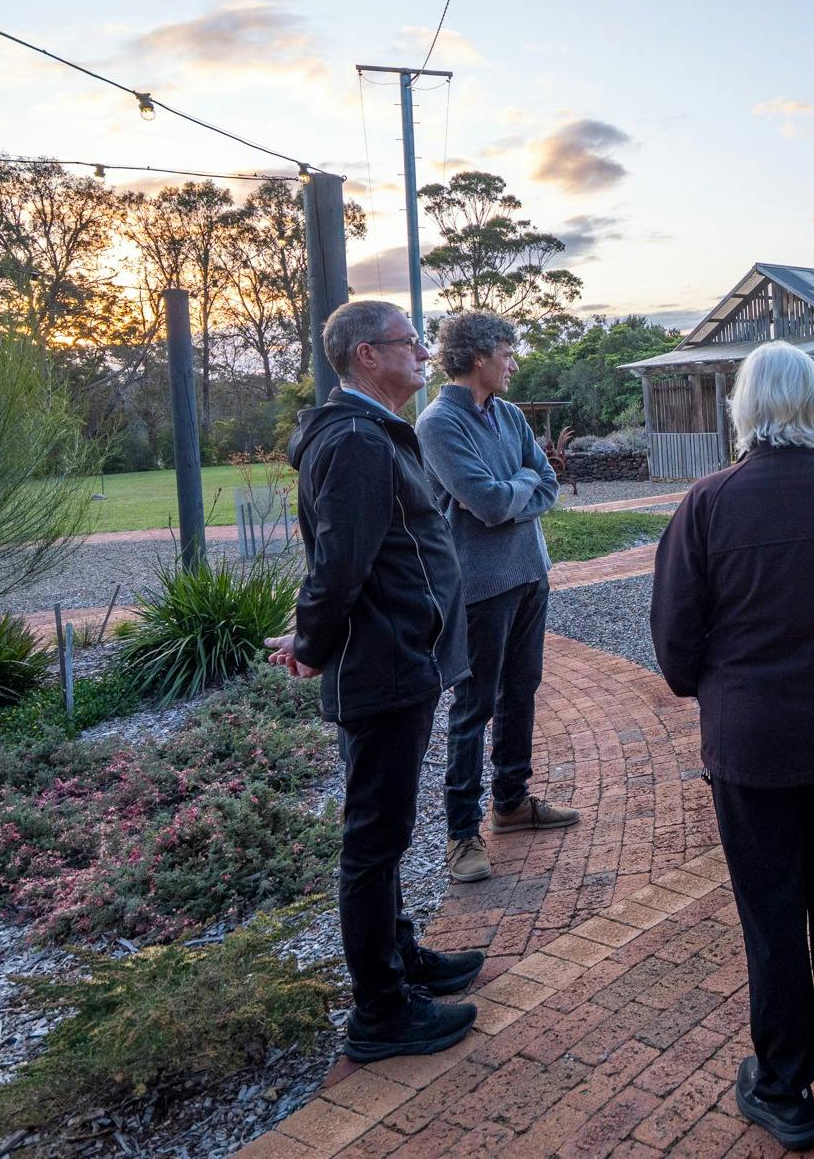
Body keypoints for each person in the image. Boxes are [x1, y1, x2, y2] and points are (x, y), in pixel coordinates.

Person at [650, 339, 814, 1151]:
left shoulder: (707, 502)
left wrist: (729, 685)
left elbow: (674, 643)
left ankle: (785, 1086)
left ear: (744, 407)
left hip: (750, 743)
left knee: (771, 913)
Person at [265, 299, 482, 1064]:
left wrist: (314, 636)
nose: (424, 352)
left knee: (384, 833)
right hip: (383, 664)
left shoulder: (370, 432)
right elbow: (340, 565)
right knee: (373, 838)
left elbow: (358, 556)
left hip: (397, 659)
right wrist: (316, 644)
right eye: (409, 342)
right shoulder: (357, 439)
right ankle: (381, 1012)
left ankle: (402, 959)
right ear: (366, 356)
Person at [415, 310, 575, 886]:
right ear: (478, 356)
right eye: (507, 353)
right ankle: (461, 835)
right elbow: (485, 503)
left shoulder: (507, 413)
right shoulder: (438, 424)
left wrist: (520, 491)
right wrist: (521, 489)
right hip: (479, 588)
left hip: (531, 573)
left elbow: (546, 482)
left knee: (521, 691)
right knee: (473, 706)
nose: (513, 363)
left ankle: (510, 803)